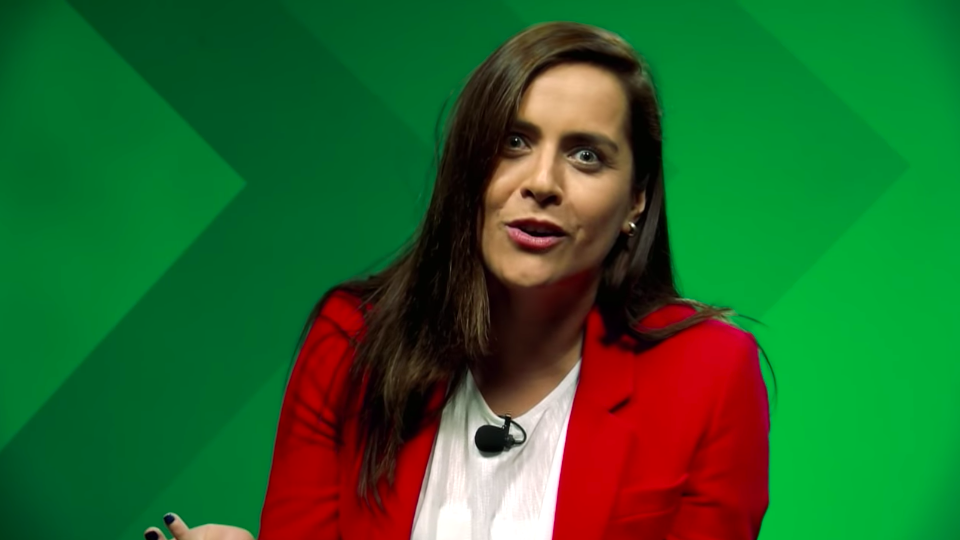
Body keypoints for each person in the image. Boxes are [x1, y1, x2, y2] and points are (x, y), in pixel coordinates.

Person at [143, 20, 772, 540]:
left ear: (637, 199)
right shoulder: (350, 342)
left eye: (586, 155)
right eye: (514, 141)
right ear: (467, 165)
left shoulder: (711, 373)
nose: (542, 183)